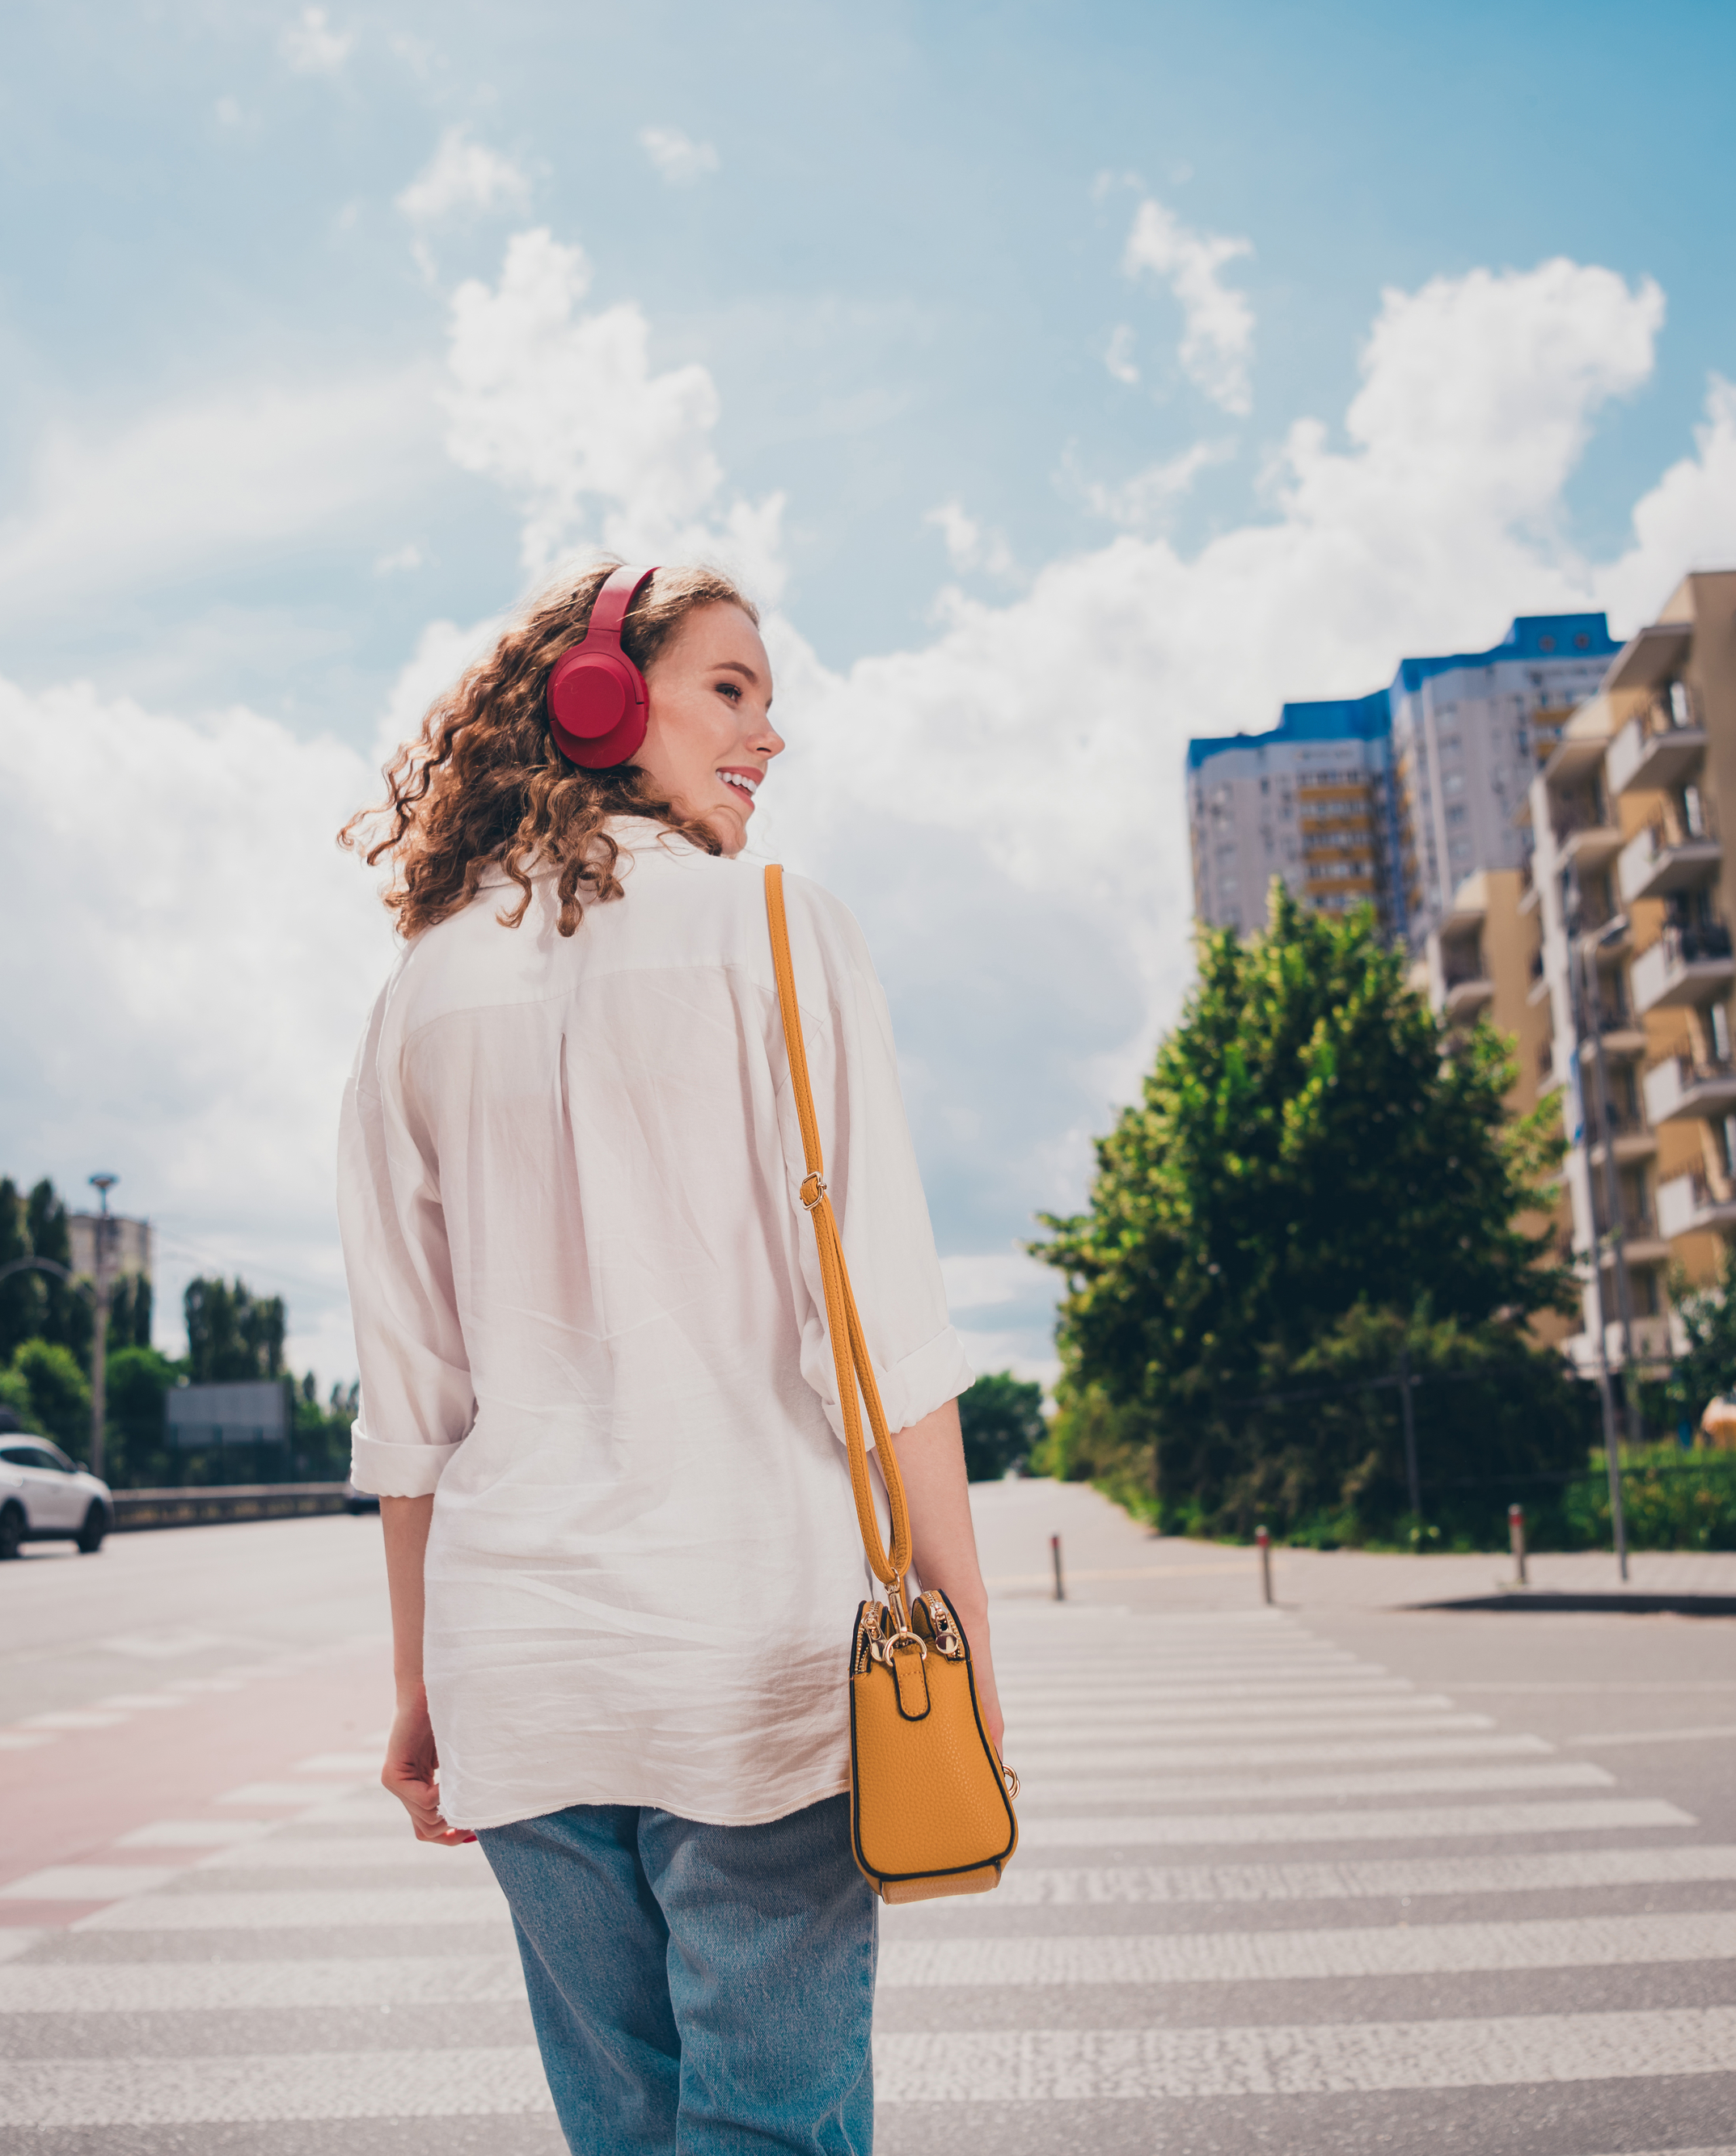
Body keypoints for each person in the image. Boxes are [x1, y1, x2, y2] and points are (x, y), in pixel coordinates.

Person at [335, 559, 1000, 2156]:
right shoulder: (775, 929)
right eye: (730, 687)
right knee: (768, 2131)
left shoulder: (418, 990)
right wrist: (965, 1637)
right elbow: (889, 1334)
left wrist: (423, 1680)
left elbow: (411, 1403)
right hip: (752, 1651)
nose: (770, 731)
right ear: (600, 699)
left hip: (523, 1668)